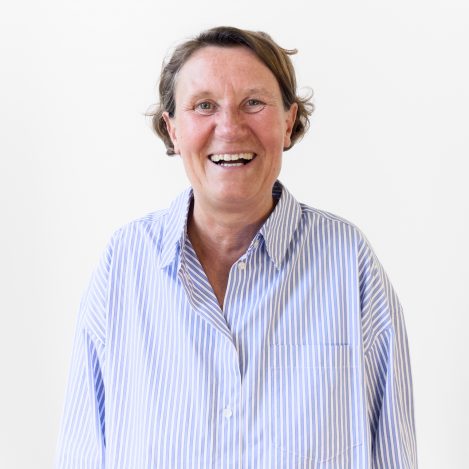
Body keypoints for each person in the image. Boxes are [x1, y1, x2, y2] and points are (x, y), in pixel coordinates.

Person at [55, 26, 417, 468]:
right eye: (204, 105)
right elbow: (82, 451)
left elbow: (394, 453)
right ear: (172, 129)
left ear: (288, 122)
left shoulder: (348, 262)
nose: (229, 127)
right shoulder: (124, 263)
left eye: (253, 103)